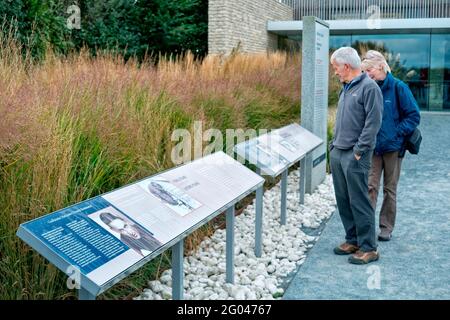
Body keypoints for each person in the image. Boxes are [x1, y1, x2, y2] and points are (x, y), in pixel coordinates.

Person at [329, 47, 383, 264]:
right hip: (338, 152)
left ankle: (369, 247)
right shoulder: (346, 86)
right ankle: (353, 239)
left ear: (346, 66)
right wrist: (333, 146)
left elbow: (373, 123)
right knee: (343, 200)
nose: (335, 72)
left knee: (359, 200)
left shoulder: (369, 88)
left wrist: (359, 151)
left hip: (355, 155)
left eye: (336, 68)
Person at [361, 50, 420, 241]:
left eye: (369, 69)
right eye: (364, 70)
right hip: (373, 148)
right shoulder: (368, 88)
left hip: (394, 149)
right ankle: (366, 227)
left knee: (389, 190)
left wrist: (396, 132)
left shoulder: (398, 87)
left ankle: (386, 227)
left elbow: (413, 116)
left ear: (380, 66)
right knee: (370, 187)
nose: (366, 74)